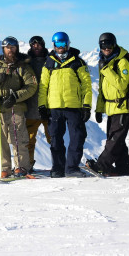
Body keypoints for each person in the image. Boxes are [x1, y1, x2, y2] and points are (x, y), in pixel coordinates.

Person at [37, 32, 93, 178]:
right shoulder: (49, 63)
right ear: (53, 45)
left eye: (63, 44)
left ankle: (72, 168)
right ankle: (58, 168)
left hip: (74, 106)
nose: (60, 47)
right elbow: (43, 86)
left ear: (68, 44)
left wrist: (86, 106)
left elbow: (86, 86)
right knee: (55, 139)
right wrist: (42, 106)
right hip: (54, 107)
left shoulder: (77, 62)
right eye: (57, 44)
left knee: (77, 136)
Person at [0, 36, 37, 177]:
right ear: (3, 49)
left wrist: (15, 97)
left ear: (16, 48)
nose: (10, 50)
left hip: (15, 106)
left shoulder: (22, 65)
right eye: (7, 47)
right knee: (1, 138)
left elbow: (31, 86)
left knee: (18, 138)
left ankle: (22, 167)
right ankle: (5, 168)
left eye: (12, 47)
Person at [89, 33, 129, 177]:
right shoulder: (105, 61)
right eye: (103, 45)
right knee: (116, 139)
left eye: (109, 45)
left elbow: (122, 85)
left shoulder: (121, 61)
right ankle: (124, 168)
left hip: (123, 106)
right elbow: (103, 90)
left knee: (114, 140)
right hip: (111, 108)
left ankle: (101, 166)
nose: (106, 48)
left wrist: (106, 70)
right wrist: (99, 109)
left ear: (114, 44)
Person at [25, 36, 51, 172]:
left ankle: (58, 164)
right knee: (29, 141)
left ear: (43, 45)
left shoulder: (51, 60)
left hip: (48, 108)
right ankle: (28, 165)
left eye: (38, 44)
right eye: (33, 44)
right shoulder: (25, 61)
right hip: (30, 108)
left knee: (53, 139)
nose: (36, 47)